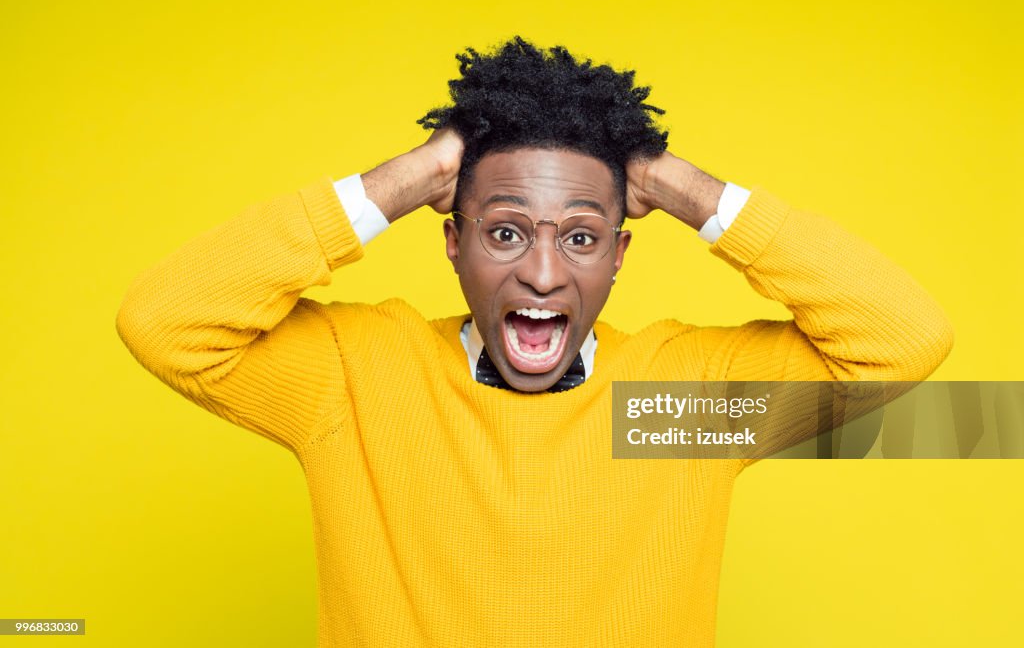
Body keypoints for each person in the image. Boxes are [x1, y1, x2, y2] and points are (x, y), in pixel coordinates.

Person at [115, 37, 953, 647]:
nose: (545, 275)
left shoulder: (674, 406)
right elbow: (166, 321)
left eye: (583, 237)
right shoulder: (358, 376)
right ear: (453, 241)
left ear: (621, 254)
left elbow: (902, 339)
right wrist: (410, 176)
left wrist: (675, 184)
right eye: (507, 233)